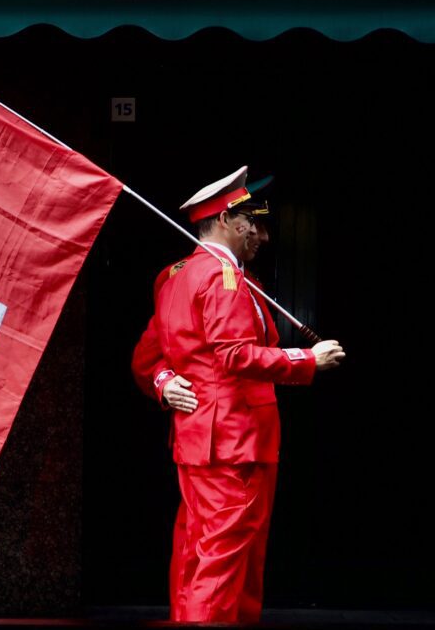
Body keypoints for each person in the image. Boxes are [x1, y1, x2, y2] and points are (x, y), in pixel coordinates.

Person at [137, 166, 344, 623]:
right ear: (228, 221)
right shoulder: (223, 278)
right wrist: (306, 361)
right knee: (223, 563)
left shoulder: (176, 276)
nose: (262, 235)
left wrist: (164, 381)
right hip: (234, 442)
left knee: (204, 554)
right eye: (255, 223)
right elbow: (234, 356)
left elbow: (149, 357)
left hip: (205, 440)